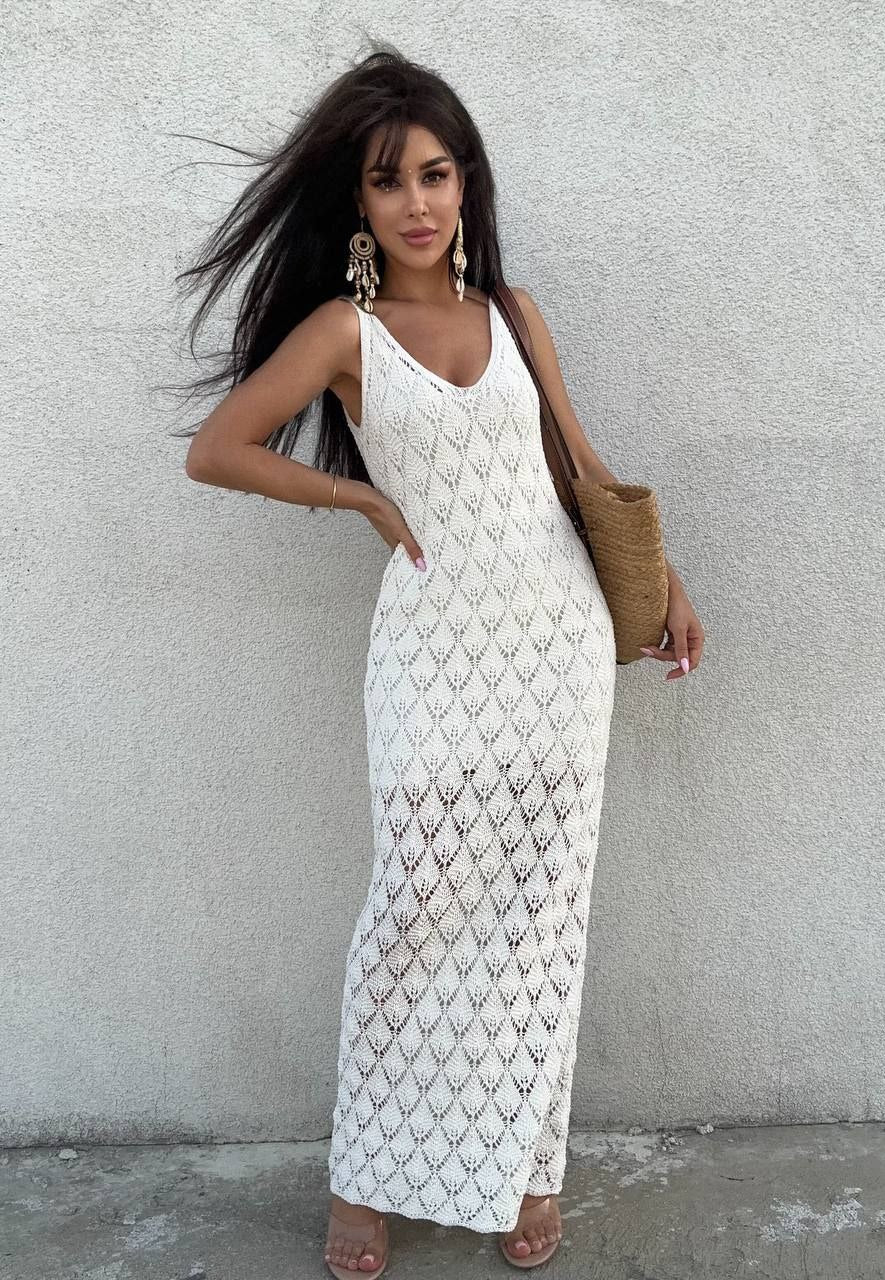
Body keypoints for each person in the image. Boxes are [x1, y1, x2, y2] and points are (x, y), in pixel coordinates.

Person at [178, 44, 704, 1280]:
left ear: (463, 186)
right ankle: (369, 1173)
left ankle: (529, 1165)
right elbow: (218, 447)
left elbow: (577, 462)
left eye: (434, 172)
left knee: (542, 917)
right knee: (416, 904)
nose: (416, 201)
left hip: (556, 643)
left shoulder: (514, 316)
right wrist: (356, 502)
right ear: (356, 204)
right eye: (385, 181)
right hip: (433, 644)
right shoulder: (342, 330)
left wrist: (665, 582)